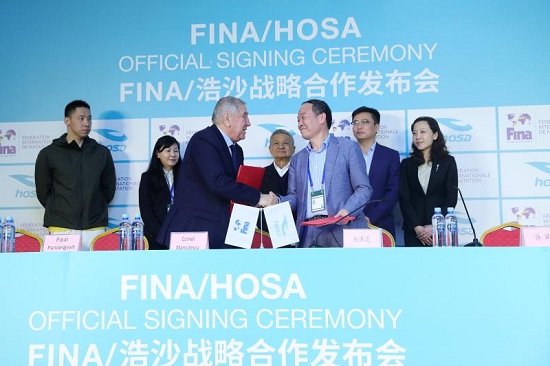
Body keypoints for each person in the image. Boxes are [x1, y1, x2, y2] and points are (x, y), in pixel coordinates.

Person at [156, 96, 276, 249]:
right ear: (227, 118)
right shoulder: (204, 140)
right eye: (244, 116)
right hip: (195, 231)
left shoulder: (236, 150)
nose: (248, 123)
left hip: (223, 231)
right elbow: (217, 182)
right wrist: (259, 197)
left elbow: (233, 188)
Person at [280, 99, 372, 248]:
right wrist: (277, 201)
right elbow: (294, 197)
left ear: (322, 118)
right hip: (308, 232)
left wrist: (348, 210)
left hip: (342, 228)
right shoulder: (297, 159)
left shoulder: (347, 148)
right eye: (298, 120)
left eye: (303, 117)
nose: (299, 123)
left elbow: (363, 188)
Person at [35, 100, 116, 251]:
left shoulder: (102, 153)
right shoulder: (48, 153)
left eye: (90, 118)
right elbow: (43, 192)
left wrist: (95, 208)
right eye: (81, 118)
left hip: (95, 228)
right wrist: (61, 210)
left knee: (95, 272)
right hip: (61, 227)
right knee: (61, 273)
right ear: (67, 120)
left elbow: (108, 189)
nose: (87, 123)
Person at [399, 116, 458, 247]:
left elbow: (451, 197)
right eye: (414, 133)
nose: (418, 136)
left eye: (422, 132)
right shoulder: (406, 164)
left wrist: (435, 225)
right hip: (414, 231)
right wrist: (417, 227)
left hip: (440, 230)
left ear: (435, 135)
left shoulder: (448, 162)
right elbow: (404, 199)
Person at [351, 106, 400, 239]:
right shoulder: (344, 155)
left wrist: (371, 217)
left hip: (381, 224)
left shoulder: (390, 156)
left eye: (365, 122)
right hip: (349, 224)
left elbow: (393, 192)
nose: (359, 126)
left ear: (377, 127)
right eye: (355, 122)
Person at [138, 136, 181, 250]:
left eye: (176, 151)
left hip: (182, 236)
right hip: (156, 236)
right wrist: (161, 235)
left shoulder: (187, 177)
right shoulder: (147, 178)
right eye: (168, 150)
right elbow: (146, 211)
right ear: (158, 154)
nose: (173, 154)